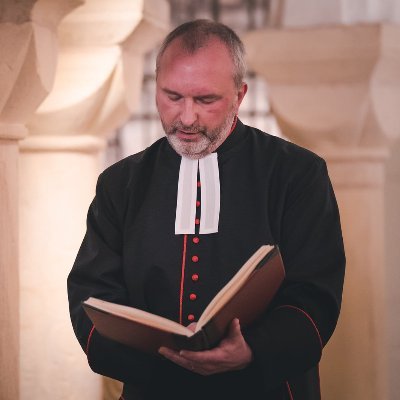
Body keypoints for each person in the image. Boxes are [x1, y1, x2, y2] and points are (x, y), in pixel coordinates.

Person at [68, 19, 345, 400]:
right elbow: (90, 297)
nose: (186, 118)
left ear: (239, 95)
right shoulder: (120, 183)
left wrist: (252, 350)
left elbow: (315, 296)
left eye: (205, 100)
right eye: (172, 96)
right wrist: (162, 363)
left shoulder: (297, 174)